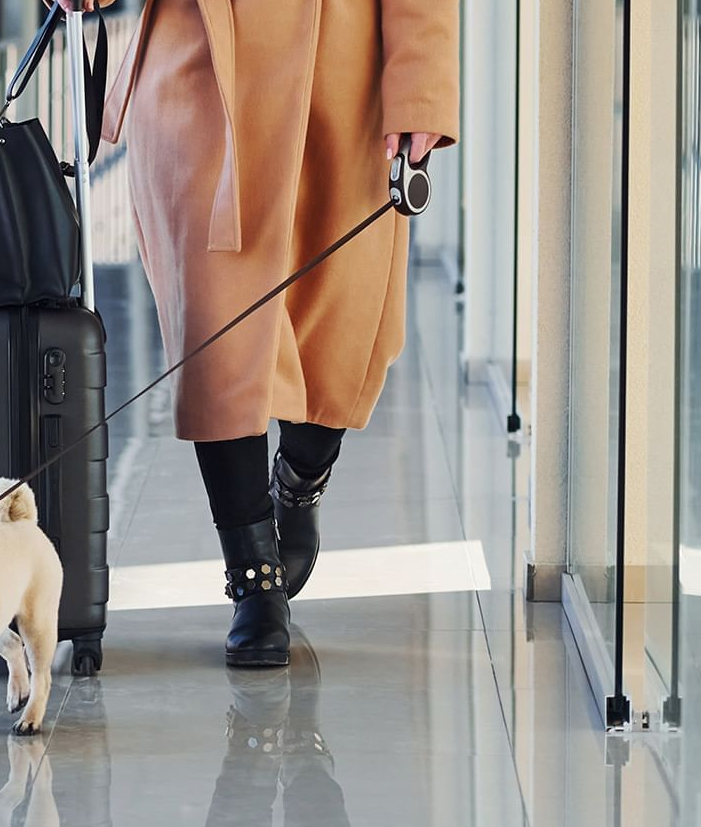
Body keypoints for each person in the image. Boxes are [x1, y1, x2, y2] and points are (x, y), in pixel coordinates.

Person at [70, 0, 460, 667]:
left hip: (342, 76)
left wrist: (420, 87)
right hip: (200, 69)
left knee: (343, 329)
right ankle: (254, 577)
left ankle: (302, 475)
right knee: (217, 338)